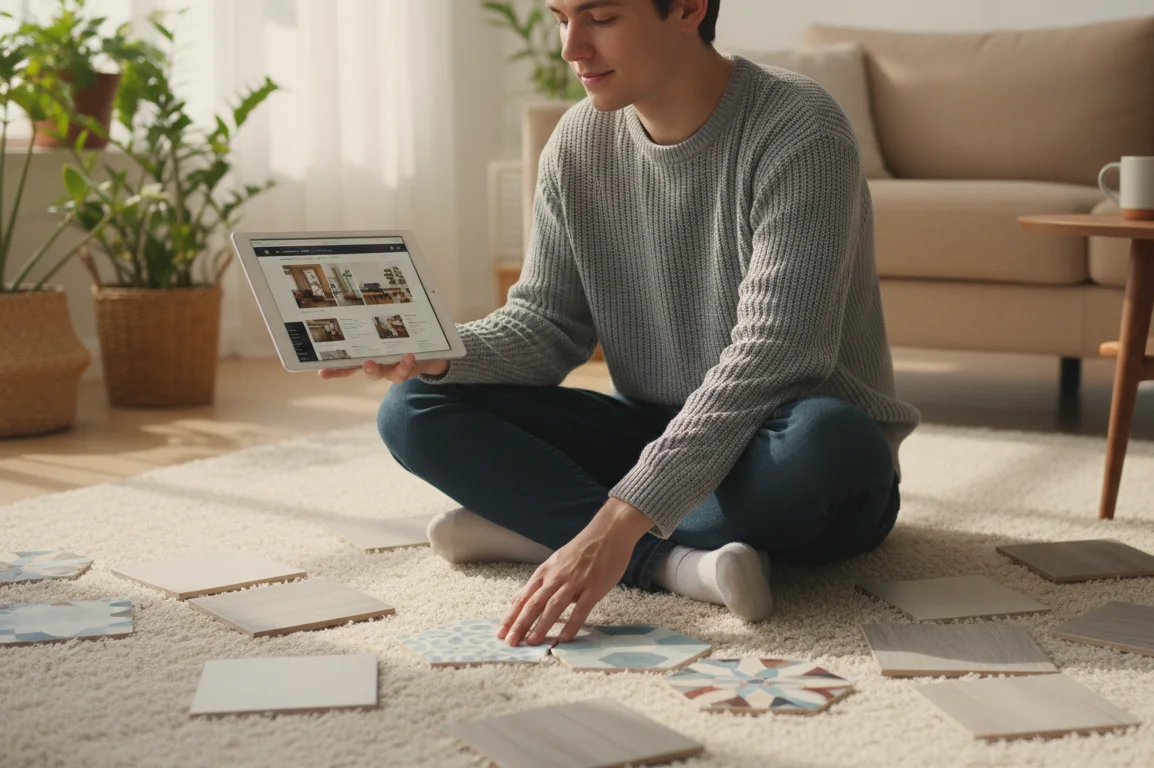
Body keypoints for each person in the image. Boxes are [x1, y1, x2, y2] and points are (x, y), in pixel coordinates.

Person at [322, 0, 919, 647]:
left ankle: (537, 527)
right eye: (560, 17)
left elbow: (777, 353)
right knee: (414, 406)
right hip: (653, 433)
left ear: (688, 8)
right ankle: (674, 564)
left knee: (829, 444)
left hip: (782, 440)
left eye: (600, 17)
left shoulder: (799, 128)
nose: (571, 47)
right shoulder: (578, 143)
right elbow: (545, 325)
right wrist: (440, 352)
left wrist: (616, 520)